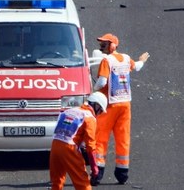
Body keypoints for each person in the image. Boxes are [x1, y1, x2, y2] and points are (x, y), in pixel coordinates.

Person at [92, 33, 150, 185]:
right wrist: (142, 60)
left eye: (104, 44)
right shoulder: (125, 58)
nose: (101, 47)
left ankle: (97, 173)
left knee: (100, 138)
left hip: (109, 106)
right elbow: (136, 66)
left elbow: (102, 81)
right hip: (125, 105)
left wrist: (92, 91)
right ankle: (122, 173)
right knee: (123, 138)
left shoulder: (106, 61)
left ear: (113, 45)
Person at [49, 92, 106, 190]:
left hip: (55, 145)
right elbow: (90, 146)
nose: (99, 114)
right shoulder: (89, 118)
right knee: (83, 184)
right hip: (69, 148)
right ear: (96, 105)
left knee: (57, 182)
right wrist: (94, 167)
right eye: (100, 111)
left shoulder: (70, 111)